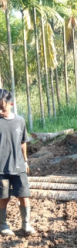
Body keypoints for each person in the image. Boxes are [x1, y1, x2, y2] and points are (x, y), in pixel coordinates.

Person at [0, 89, 35, 236]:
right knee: (3, 197)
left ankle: (26, 224)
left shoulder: (20, 121)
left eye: (2, 106)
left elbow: (23, 142)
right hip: (1, 168)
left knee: (24, 195)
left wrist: (25, 161)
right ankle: (2, 225)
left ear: (11, 104)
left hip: (19, 166)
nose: (0, 110)